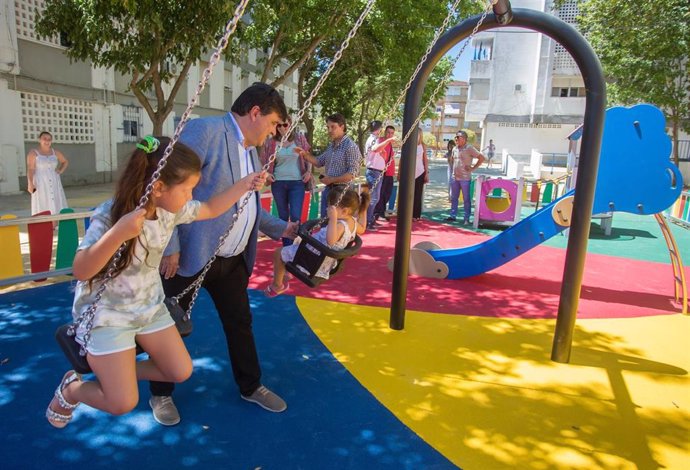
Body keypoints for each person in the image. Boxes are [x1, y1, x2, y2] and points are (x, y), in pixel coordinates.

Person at [45, 135, 266, 428]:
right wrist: (119, 234)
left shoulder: (167, 212)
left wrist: (246, 184)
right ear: (159, 188)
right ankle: (71, 390)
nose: (191, 195)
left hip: (148, 307)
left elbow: (211, 208)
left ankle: (119, 372)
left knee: (180, 370)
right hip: (108, 316)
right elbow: (82, 270)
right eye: (187, 188)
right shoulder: (110, 215)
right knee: (122, 402)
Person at [150, 82, 292, 426]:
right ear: (255, 113)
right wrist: (171, 246)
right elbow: (167, 186)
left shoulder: (252, 150)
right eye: (273, 123)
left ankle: (251, 385)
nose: (274, 133)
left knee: (240, 323)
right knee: (167, 327)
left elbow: (245, 205)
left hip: (233, 259)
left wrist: (282, 229)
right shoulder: (205, 131)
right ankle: (160, 391)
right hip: (189, 256)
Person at [265, 188, 369, 297]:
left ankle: (277, 285)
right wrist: (364, 210)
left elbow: (331, 240)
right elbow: (362, 228)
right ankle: (283, 273)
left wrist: (333, 219)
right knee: (293, 246)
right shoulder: (352, 222)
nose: (327, 208)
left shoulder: (340, 226)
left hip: (313, 257)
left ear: (344, 211)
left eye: (330, 207)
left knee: (278, 253)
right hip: (321, 257)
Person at [295, 113, 361, 218]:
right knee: (324, 223)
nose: (329, 130)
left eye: (333, 127)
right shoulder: (331, 146)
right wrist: (304, 154)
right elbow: (318, 161)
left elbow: (353, 173)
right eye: (328, 127)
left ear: (342, 127)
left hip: (343, 192)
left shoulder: (350, 146)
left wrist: (331, 179)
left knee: (338, 225)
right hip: (328, 190)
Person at [260, 116, 313, 245]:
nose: (282, 128)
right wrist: (267, 175)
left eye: (285, 125)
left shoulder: (299, 139)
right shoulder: (271, 142)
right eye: (279, 126)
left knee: (295, 216)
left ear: (290, 125)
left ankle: (296, 244)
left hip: (297, 183)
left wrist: (308, 171)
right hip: (278, 183)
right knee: (283, 216)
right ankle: (286, 247)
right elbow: (263, 163)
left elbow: (308, 156)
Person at [447, 130, 485, 224]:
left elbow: (482, 158)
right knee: (454, 197)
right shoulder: (455, 149)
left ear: (464, 139)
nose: (456, 139)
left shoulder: (469, 148)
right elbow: (452, 160)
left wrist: (473, 168)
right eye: (455, 137)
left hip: (465, 179)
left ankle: (466, 218)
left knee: (466, 199)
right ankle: (453, 215)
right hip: (454, 178)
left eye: (458, 137)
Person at [26, 131, 69, 215]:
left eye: (49, 139)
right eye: (44, 139)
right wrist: (30, 183)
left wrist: (60, 170)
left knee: (56, 201)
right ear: (40, 140)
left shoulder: (55, 152)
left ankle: (56, 225)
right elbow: (30, 169)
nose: (47, 141)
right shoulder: (33, 153)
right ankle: (44, 225)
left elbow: (65, 161)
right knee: (43, 202)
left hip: (54, 181)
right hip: (40, 182)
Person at [363, 120, 396, 231]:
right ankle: (367, 221)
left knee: (375, 198)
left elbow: (377, 150)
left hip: (377, 171)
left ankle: (370, 219)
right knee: (374, 198)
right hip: (373, 171)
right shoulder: (372, 139)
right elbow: (375, 148)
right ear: (379, 129)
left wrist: (382, 153)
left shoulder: (375, 139)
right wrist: (389, 140)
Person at [373, 125, 396, 222]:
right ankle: (379, 213)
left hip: (389, 173)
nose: (389, 134)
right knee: (381, 194)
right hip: (383, 172)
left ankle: (381, 211)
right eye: (388, 132)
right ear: (385, 132)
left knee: (387, 193)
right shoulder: (382, 141)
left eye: (392, 133)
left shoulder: (390, 143)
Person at [411, 128, 429, 221]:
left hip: (420, 172)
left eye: (418, 134)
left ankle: (416, 215)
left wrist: (427, 172)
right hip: (410, 173)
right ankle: (408, 214)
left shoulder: (422, 146)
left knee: (418, 195)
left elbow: (425, 160)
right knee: (409, 194)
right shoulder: (409, 144)